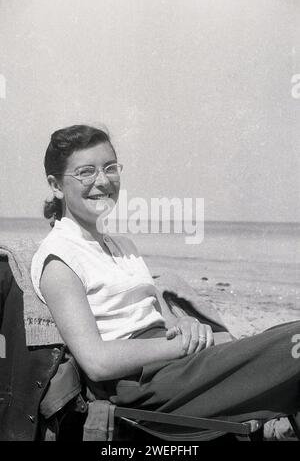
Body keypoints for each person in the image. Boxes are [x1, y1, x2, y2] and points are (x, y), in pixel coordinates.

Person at [31, 124, 300, 427]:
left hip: (172, 367)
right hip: (141, 385)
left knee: (287, 337)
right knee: (291, 348)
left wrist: (185, 325)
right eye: (85, 172)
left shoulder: (123, 246)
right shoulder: (60, 258)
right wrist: (180, 347)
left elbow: (162, 320)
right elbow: (96, 361)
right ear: (55, 185)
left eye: (110, 168)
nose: (103, 181)